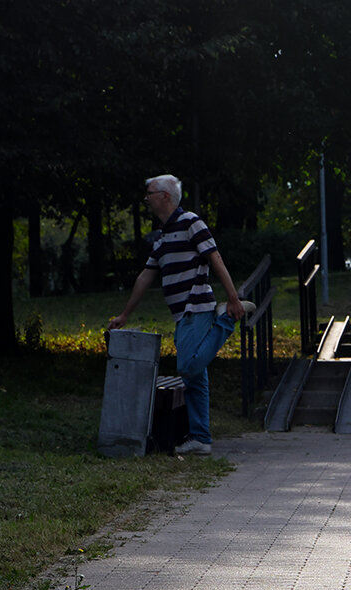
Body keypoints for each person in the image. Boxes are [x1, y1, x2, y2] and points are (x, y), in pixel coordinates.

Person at [108, 174, 254, 456]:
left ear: (164, 196)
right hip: (180, 315)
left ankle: (226, 320)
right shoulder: (162, 236)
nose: (146, 198)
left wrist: (233, 299)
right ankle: (201, 438)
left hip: (196, 308)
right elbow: (145, 276)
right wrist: (125, 314)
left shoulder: (191, 222)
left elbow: (215, 258)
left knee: (188, 367)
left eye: (149, 193)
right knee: (195, 379)